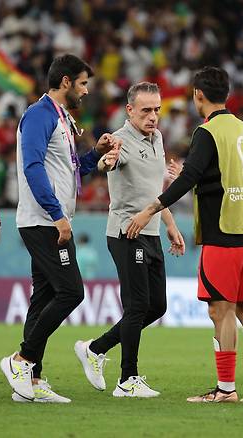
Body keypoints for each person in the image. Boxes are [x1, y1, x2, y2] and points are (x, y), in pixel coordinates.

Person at [127, 67, 243, 403]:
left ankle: (226, 389)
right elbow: (225, 174)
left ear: (198, 95)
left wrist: (150, 209)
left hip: (223, 228)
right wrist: (194, 175)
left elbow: (189, 180)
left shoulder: (207, 131)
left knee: (219, 309)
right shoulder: (242, 129)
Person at [0, 54, 118, 404]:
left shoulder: (61, 118)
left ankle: (32, 381)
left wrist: (95, 158)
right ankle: (21, 359)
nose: (85, 90)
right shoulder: (38, 115)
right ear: (65, 81)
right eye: (82, 83)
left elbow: (67, 168)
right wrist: (57, 214)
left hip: (51, 219)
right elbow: (34, 167)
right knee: (71, 292)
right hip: (43, 221)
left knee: (44, 297)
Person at [74, 82, 185, 398]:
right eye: (147, 110)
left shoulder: (158, 138)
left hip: (150, 232)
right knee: (137, 306)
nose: (153, 116)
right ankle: (128, 379)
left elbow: (153, 192)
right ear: (130, 110)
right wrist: (105, 162)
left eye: (157, 110)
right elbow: (107, 163)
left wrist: (172, 226)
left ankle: (95, 349)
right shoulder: (120, 140)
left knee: (157, 307)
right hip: (126, 233)